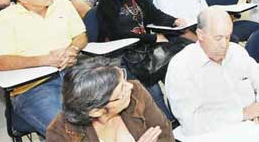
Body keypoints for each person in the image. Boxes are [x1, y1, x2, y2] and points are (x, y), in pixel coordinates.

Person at [165, 7, 259, 142]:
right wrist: (243, 114)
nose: (224, 44)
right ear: (200, 35)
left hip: (253, 127)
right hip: (213, 134)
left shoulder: (236, 52)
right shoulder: (181, 66)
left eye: (227, 37)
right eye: (218, 38)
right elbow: (191, 122)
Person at [0, 0, 87, 136]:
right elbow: (0, 62)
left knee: (113, 110)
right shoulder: (5, 18)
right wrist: (45, 60)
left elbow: (80, 35)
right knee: (70, 135)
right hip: (34, 86)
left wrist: (73, 50)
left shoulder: (62, 4)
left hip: (73, 72)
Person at [46, 57, 175, 142]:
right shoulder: (61, 133)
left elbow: (164, 134)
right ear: (96, 111)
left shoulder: (135, 92)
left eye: (123, 79)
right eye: (121, 90)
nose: (129, 86)